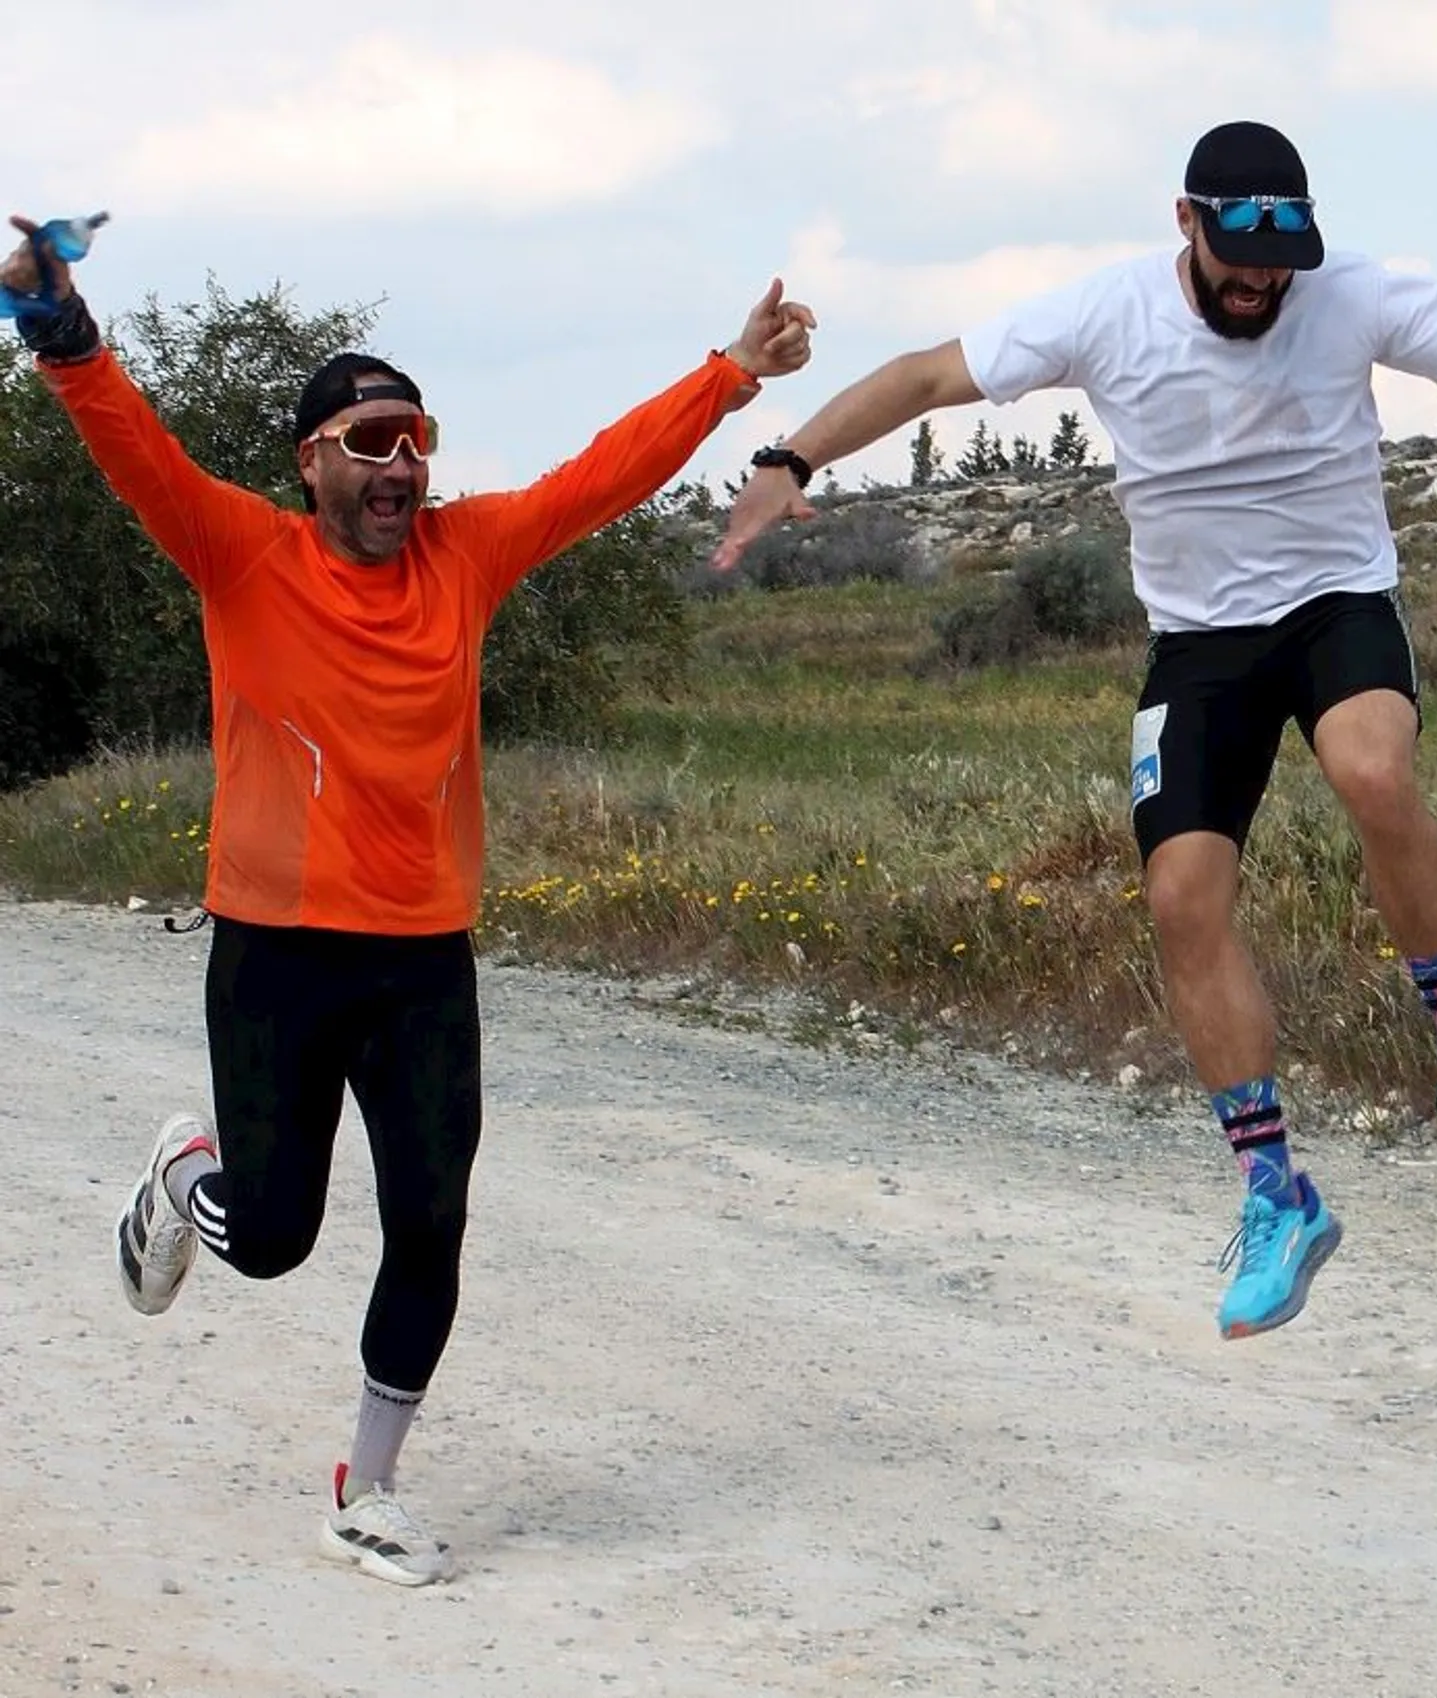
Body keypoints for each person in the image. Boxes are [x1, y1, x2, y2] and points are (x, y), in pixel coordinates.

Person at [714, 120, 1437, 1342]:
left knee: (1370, 767)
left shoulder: (1347, 291)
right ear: (1186, 222)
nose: (1262, 286)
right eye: (1240, 260)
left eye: (1282, 263)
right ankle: (1276, 1194)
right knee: (1182, 897)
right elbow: (931, 376)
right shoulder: (1107, 312)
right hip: (1201, 646)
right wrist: (792, 457)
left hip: (1336, 607)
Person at [4, 210, 814, 1584]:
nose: (399, 465)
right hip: (276, 950)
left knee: (431, 1218)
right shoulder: (243, 554)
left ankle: (367, 1487)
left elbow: (601, 478)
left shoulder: (466, 555)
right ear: (311, 461)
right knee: (269, 1238)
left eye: (416, 438)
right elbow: (130, 448)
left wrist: (729, 373)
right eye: (370, 443)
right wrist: (57, 323)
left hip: (424, 956)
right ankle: (186, 1174)